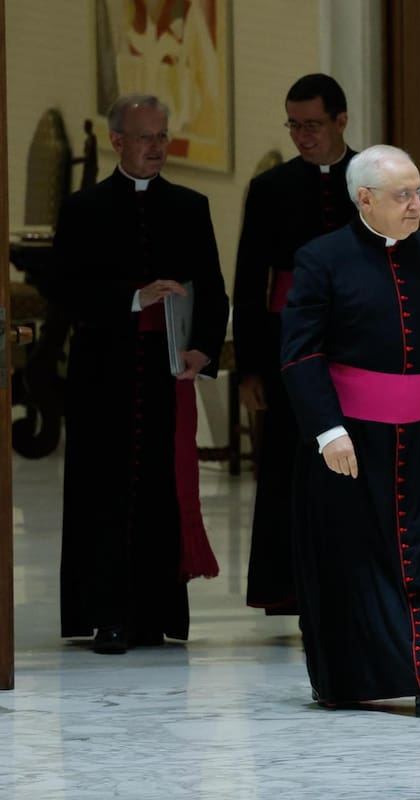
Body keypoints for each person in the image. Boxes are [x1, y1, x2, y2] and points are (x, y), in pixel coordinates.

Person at [280, 144, 420, 716]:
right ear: (364, 198)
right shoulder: (322, 258)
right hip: (350, 440)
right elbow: (299, 354)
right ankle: (349, 680)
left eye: (419, 191)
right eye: (403, 195)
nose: (417, 204)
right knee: (355, 563)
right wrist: (326, 431)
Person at [54, 94, 229, 655]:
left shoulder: (190, 205)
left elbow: (213, 288)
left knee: (160, 490)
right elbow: (64, 292)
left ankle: (155, 615)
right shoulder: (83, 209)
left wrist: (203, 350)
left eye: (163, 136)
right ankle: (106, 615)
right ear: (118, 142)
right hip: (102, 374)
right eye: (146, 137)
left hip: (165, 375)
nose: (157, 147)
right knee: (103, 492)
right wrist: (133, 297)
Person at [233, 73, 358, 614]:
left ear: (340, 121)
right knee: (288, 465)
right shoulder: (269, 189)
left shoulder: (370, 177)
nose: (302, 136)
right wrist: (250, 368)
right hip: (290, 348)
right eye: (294, 125)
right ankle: (287, 586)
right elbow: (249, 280)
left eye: (312, 125)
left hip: (357, 348)